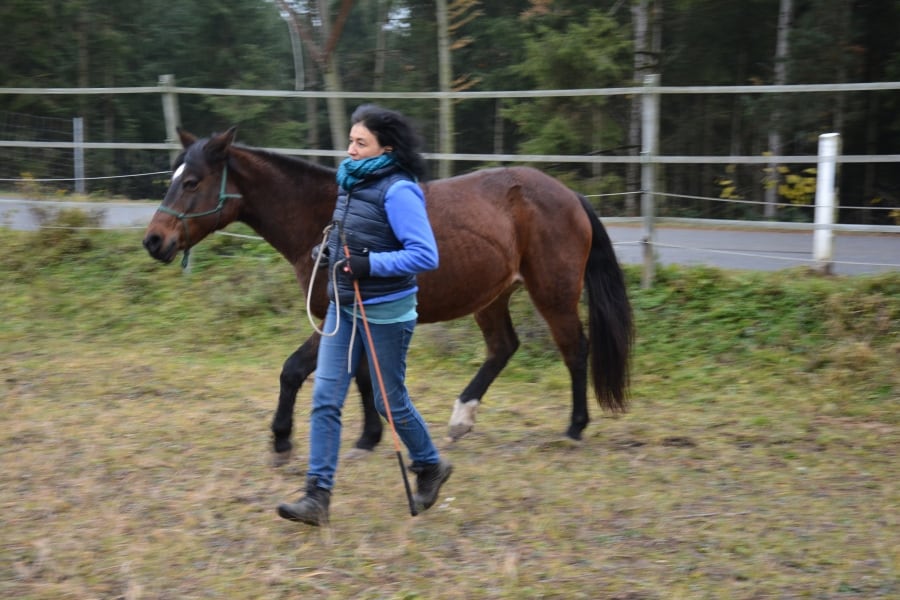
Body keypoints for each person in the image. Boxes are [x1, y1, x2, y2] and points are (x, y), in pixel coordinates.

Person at [277, 104, 452, 526]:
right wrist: (331, 253)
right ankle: (317, 497)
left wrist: (370, 265)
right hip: (345, 306)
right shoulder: (351, 182)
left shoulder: (399, 190)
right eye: (351, 141)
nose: (351, 150)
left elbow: (425, 255)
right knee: (326, 396)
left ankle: (430, 464)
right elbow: (351, 234)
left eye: (361, 143)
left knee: (388, 400)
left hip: (387, 312)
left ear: (384, 149)